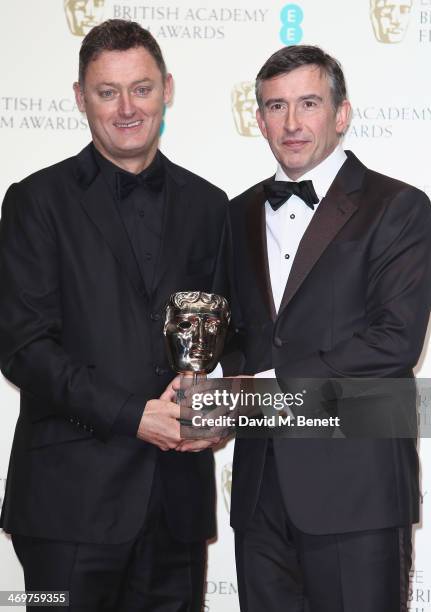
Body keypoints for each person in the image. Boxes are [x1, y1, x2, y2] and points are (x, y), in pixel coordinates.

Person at [0, 19, 228, 611]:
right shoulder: (33, 201)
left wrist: (217, 400)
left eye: (142, 88)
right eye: (107, 92)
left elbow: (233, 330)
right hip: (66, 509)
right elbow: (24, 346)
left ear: (168, 89)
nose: (127, 108)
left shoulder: (211, 205)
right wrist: (133, 416)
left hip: (176, 502)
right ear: (80, 98)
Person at [227, 45, 431, 611]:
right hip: (259, 489)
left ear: (341, 114)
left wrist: (269, 385)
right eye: (275, 106)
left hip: (356, 490)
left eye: (308, 103)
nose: (291, 123)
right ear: (260, 118)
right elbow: (233, 335)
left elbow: (396, 342)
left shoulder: (400, 207)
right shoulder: (233, 214)